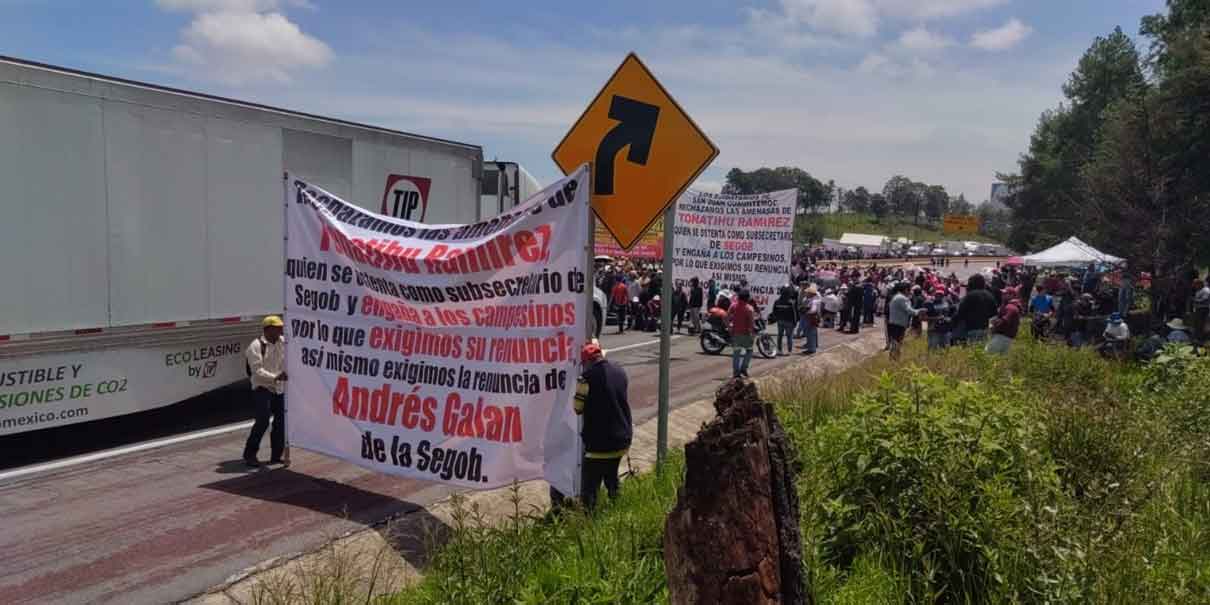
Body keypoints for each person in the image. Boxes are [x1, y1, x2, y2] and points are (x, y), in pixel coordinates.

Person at [574, 341, 632, 510]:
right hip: (622, 439)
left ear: (587, 363)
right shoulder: (620, 371)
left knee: (589, 488)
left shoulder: (585, 379)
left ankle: (590, 521)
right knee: (611, 477)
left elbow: (577, 408)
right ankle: (617, 510)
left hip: (599, 446)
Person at [244, 315, 288, 468]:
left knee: (281, 422)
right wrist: (276, 377)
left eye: (281, 328)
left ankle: (276, 455)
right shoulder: (255, 346)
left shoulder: (283, 342)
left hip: (278, 387)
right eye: (277, 328)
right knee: (262, 420)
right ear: (268, 329)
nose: (280, 330)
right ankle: (250, 454)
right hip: (262, 387)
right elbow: (257, 371)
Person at [956, 274, 999, 344]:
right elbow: (994, 313)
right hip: (985, 328)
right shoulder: (989, 295)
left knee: (972, 349)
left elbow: (960, 312)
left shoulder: (969, 296)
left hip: (971, 328)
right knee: (981, 348)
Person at [888, 283, 923, 361]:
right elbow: (909, 310)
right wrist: (919, 311)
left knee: (895, 343)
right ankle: (894, 360)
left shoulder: (896, 297)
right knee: (897, 343)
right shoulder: (902, 298)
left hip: (894, 323)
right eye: (909, 290)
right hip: (898, 324)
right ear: (905, 290)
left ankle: (893, 359)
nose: (910, 292)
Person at [728, 289, 756, 379]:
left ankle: (736, 373)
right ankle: (743, 368)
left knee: (736, 353)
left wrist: (729, 327)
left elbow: (726, 317)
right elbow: (752, 324)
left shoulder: (733, 306)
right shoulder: (749, 309)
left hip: (735, 334)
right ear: (747, 298)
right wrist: (752, 334)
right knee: (749, 351)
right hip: (746, 334)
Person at [772, 286, 798, 356]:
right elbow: (795, 313)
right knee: (789, 337)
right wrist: (795, 322)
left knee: (779, 336)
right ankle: (789, 351)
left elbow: (774, 312)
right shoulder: (791, 303)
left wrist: (777, 319)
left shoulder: (777, 301)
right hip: (789, 322)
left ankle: (779, 350)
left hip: (780, 321)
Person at [802, 285, 821, 355]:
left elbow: (813, 310)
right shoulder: (816, 299)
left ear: (811, 294)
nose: (806, 294)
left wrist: (806, 311)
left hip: (811, 317)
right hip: (814, 318)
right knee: (813, 332)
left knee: (810, 333)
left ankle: (811, 349)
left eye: (808, 293)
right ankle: (813, 346)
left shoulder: (813, 301)